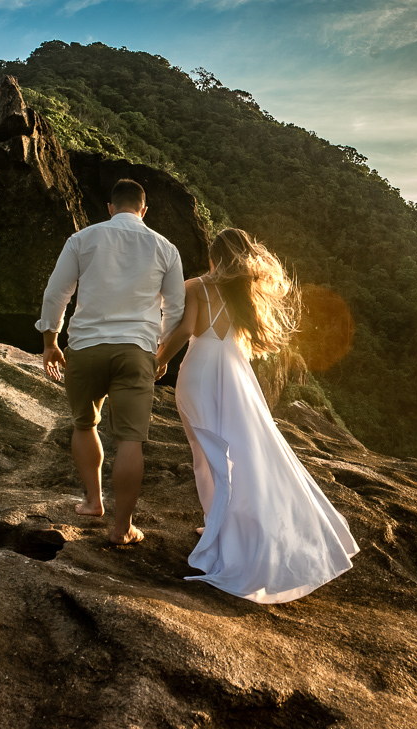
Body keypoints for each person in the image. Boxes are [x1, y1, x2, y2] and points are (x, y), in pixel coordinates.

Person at [155, 228, 358, 602]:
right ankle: (230, 526)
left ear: (214, 257)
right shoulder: (244, 295)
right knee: (244, 449)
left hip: (199, 371)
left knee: (204, 453)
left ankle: (215, 528)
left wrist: (161, 360)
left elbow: (185, 329)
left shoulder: (195, 286)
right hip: (235, 372)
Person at [37, 179, 185, 545]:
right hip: (136, 351)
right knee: (130, 441)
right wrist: (160, 352)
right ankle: (122, 529)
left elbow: (57, 293)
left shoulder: (82, 240)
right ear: (144, 209)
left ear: (109, 207)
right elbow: (177, 310)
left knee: (84, 425)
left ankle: (92, 501)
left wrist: (50, 341)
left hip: (85, 347)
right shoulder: (165, 248)